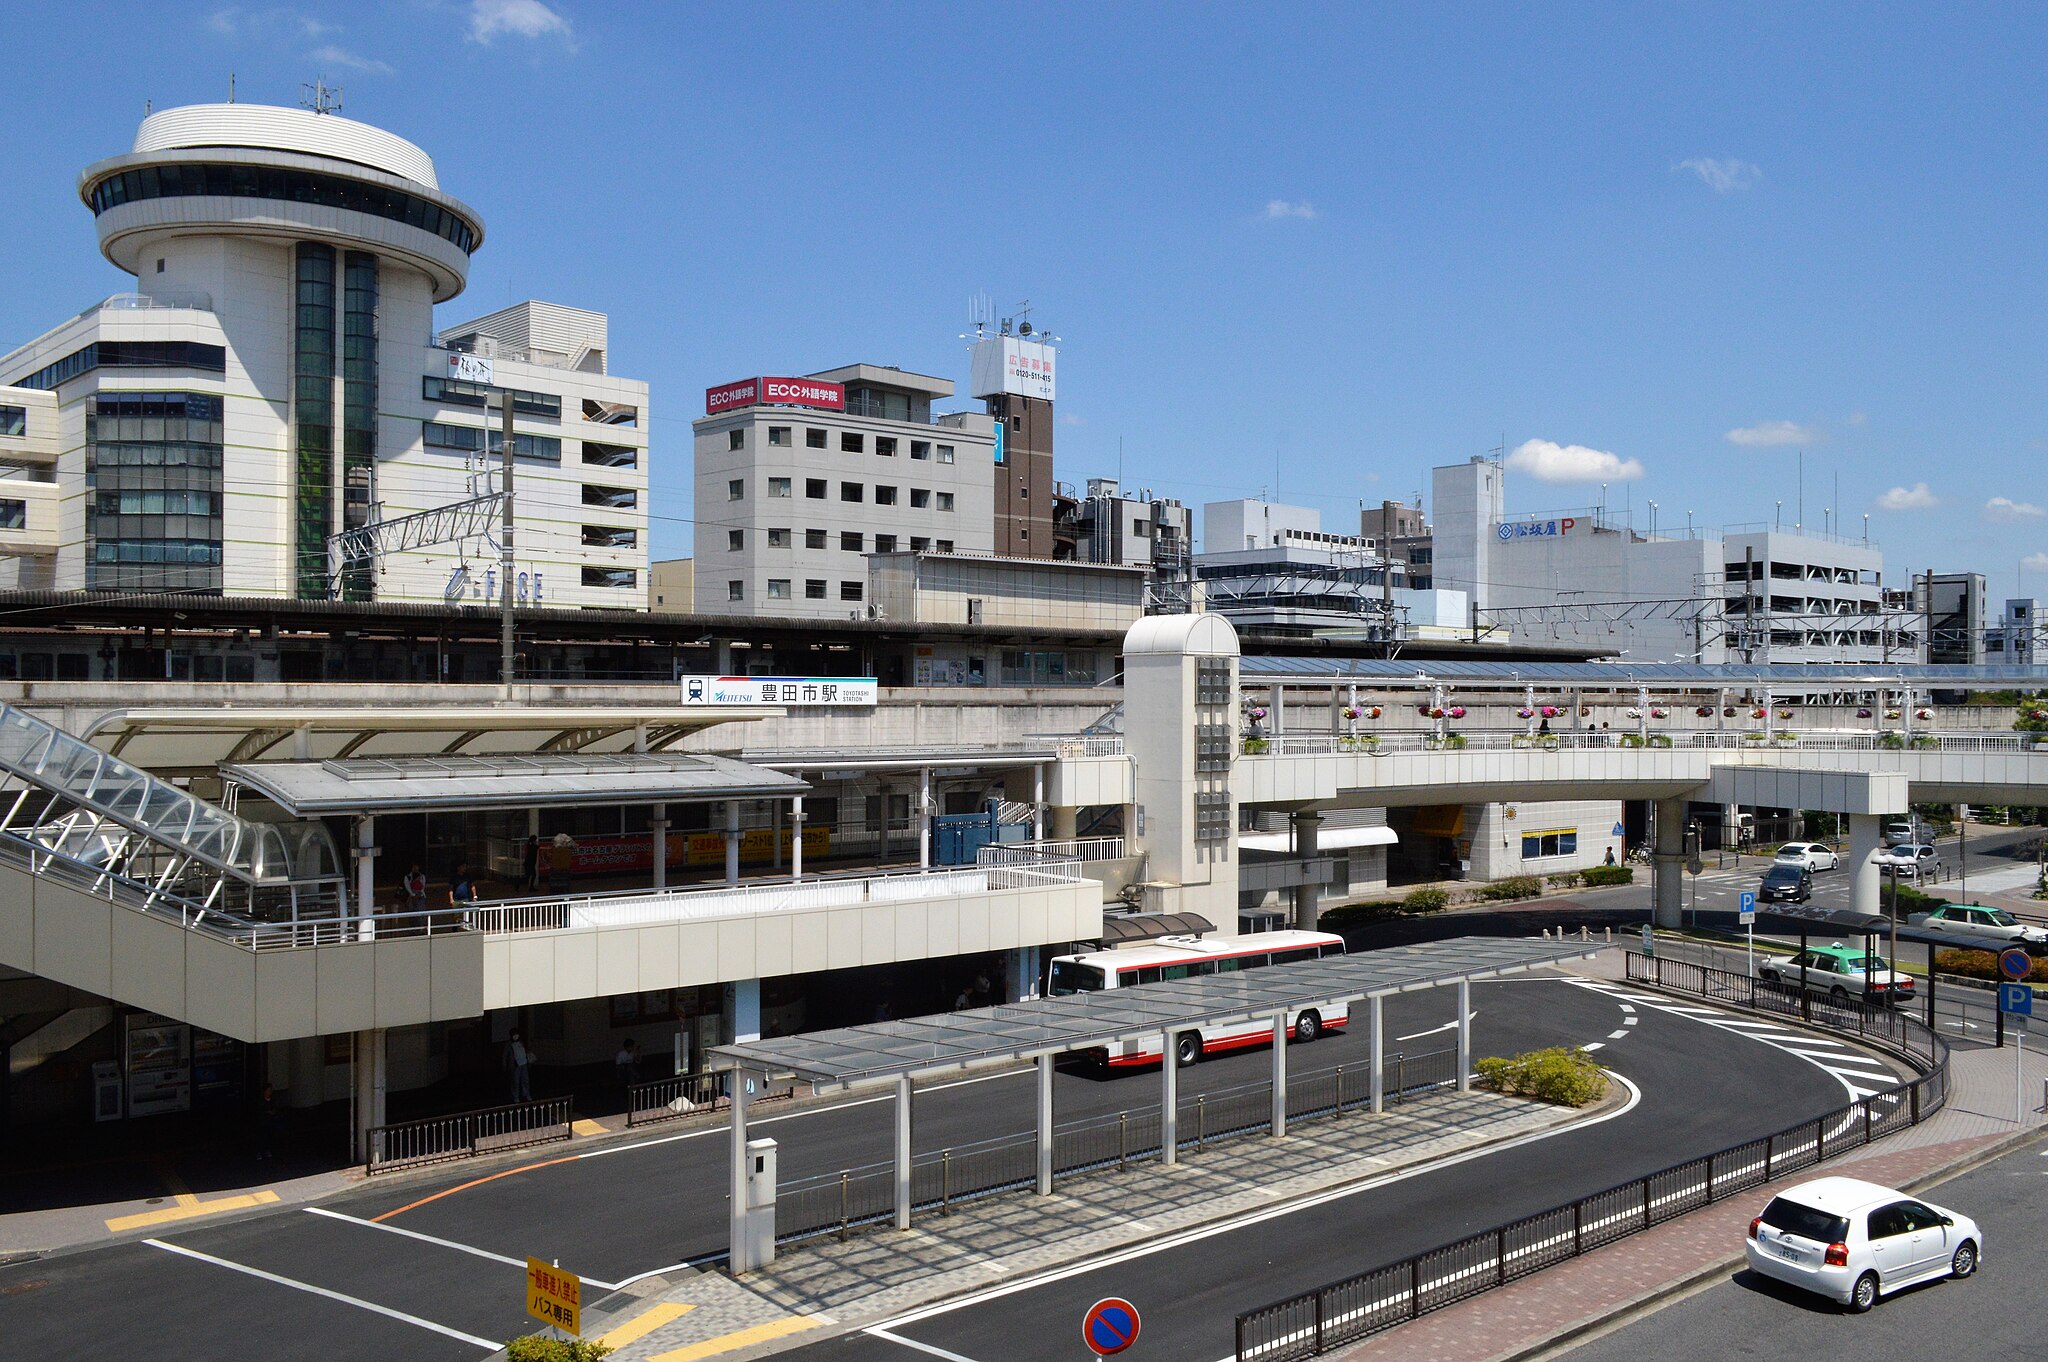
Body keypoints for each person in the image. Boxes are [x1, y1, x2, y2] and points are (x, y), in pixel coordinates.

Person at [505, 1029, 533, 1102]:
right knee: (515, 1081)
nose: (515, 1036)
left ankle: (526, 1094)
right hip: (515, 1065)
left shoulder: (521, 1042)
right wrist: (505, 1065)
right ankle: (515, 1096)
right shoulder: (509, 1044)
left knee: (525, 1080)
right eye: (514, 1035)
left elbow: (526, 1050)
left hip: (524, 1063)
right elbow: (505, 1055)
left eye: (516, 1035)